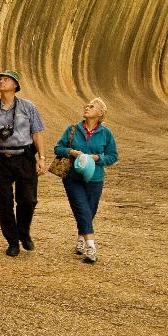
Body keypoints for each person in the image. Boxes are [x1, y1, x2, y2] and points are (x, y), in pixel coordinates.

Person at [0, 70, 46, 257]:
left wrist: (41, 157)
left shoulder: (28, 107)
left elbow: (37, 133)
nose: (1, 81)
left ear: (15, 85)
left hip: (24, 157)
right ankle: (12, 241)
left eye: (6, 79)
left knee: (28, 200)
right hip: (0, 159)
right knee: (4, 202)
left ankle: (24, 232)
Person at [53, 97, 119, 263]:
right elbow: (58, 148)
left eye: (92, 106)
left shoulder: (106, 133)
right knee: (81, 208)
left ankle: (81, 240)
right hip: (73, 177)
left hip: (95, 178)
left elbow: (113, 156)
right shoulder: (73, 129)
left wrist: (98, 158)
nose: (87, 107)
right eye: (87, 105)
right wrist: (71, 152)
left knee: (89, 211)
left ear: (100, 113)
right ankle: (91, 247)